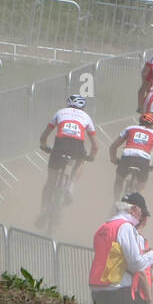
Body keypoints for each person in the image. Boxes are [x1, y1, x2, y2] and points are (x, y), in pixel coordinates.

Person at [88, 194, 153, 304]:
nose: (141, 218)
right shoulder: (125, 227)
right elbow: (136, 264)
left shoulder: (104, 227)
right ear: (134, 210)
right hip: (118, 291)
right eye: (142, 213)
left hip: (97, 290)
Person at [36, 94, 99, 228]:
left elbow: (44, 136)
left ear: (68, 104)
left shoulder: (60, 112)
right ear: (83, 106)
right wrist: (92, 156)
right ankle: (71, 186)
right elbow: (95, 145)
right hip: (77, 146)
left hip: (59, 145)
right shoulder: (86, 117)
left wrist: (44, 146)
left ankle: (43, 211)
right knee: (82, 160)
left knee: (50, 180)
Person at [109, 113, 153, 200]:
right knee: (142, 185)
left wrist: (113, 159)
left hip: (127, 157)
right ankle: (135, 201)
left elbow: (113, 147)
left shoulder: (130, 128)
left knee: (119, 179)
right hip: (143, 161)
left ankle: (115, 200)